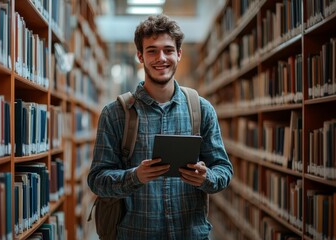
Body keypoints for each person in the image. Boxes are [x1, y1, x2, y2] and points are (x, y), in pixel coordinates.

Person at [87, 14, 233, 239]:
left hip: (190, 234)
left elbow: (224, 170)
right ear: (140, 56)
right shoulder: (115, 114)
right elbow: (97, 180)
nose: (161, 58)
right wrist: (136, 176)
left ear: (179, 54)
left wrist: (206, 178)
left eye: (168, 50)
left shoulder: (201, 109)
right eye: (152, 50)